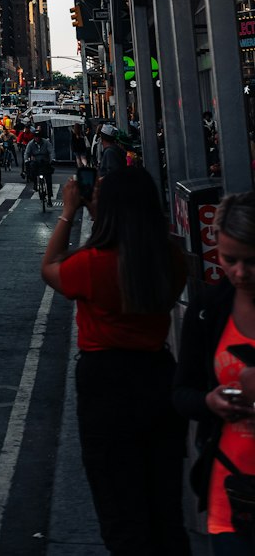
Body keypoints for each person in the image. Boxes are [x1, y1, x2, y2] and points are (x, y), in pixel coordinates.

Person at [41, 166, 190, 554]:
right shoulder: (171, 259)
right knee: (165, 510)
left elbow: (50, 267)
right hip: (158, 377)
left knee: (121, 513)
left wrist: (70, 212)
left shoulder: (92, 264)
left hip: (106, 384)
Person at [175, 191, 255, 549]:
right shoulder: (208, 310)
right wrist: (210, 401)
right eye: (229, 259)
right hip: (230, 493)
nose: (240, 273)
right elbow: (181, 393)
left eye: (252, 261)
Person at [25, 128, 54, 203]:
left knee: (48, 179)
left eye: (38, 137)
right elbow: (27, 153)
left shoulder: (46, 142)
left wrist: (52, 160)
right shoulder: (31, 143)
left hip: (45, 162)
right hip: (36, 162)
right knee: (31, 168)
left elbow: (51, 152)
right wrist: (26, 160)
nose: (37, 138)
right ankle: (34, 183)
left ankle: (50, 196)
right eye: (35, 137)